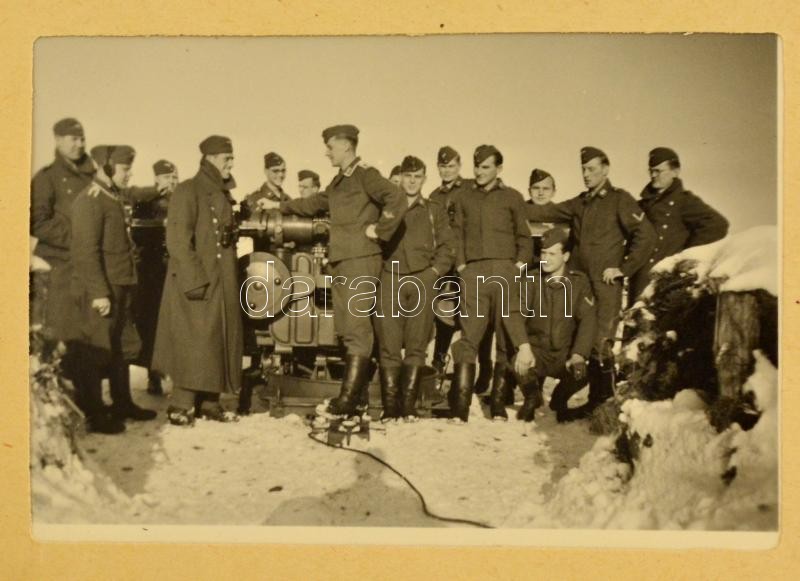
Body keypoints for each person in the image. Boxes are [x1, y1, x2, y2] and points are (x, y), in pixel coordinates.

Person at [258, 124, 407, 418]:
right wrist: (279, 204)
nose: (327, 153)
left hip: (360, 260)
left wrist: (381, 230)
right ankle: (356, 398)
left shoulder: (365, 175)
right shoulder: (340, 181)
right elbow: (315, 203)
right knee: (348, 329)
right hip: (343, 261)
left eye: (330, 147)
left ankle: (348, 400)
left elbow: (397, 198)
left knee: (357, 329)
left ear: (346, 146)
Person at [526, 147, 656, 419]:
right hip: (580, 285)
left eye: (592, 169)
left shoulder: (620, 200)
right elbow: (548, 211)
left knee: (601, 342)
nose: (586, 174)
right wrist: (512, 206)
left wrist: (624, 268)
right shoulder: (580, 203)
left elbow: (646, 234)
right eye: (583, 169)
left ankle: (601, 402)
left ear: (606, 169)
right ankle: (566, 397)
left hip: (605, 285)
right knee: (576, 337)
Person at [152, 135, 244, 426]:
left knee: (216, 339)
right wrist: (195, 280)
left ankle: (209, 402)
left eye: (231, 157)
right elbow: (178, 240)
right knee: (195, 340)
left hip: (222, 280)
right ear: (211, 159)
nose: (231, 163)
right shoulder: (188, 190)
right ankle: (181, 404)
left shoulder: (221, 192)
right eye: (227, 158)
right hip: (198, 280)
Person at [70, 145, 157, 434]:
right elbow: (85, 252)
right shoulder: (90, 200)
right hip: (103, 287)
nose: (129, 174)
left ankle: (122, 403)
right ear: (106, 168)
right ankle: (94, 414)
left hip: (120, 284)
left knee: (119, 349)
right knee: (96, 351)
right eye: (125, 169)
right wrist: (98, 292)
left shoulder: (112, 197)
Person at [449, 144, 536, 423]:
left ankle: (498, 403)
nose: (479, 171)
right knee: (469, 335)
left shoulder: (512, 197)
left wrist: (517, 266)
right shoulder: (463, 197)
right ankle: (460, 405)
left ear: (499, 169)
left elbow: (524, 237)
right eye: (477, 166)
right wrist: (462, 266)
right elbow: (456, 235)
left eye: (486, 167)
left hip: (504, 270)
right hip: (474, 271)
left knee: (505, 336)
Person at [374, 155, 455, 421]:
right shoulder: (385, 208)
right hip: (390, 278)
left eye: (417, 177)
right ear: (400, 178)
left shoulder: (433, 210)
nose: (411, 181)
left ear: (424, 179)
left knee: (417, 345)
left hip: (421, 279)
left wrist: (434, 273)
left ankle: (407, 407)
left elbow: (447, 246)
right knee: (389, 345)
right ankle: (390, 408)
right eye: (407, 176)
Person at [511, 228, 597, 422]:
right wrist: (524, 348)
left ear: (565, 256)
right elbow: (516, 315)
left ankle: (559, 400)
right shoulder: (531, 279)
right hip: (537, 352)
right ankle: (532, 397)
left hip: (563, 353)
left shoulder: (579, 282)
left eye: (552, 254)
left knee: (584, 371)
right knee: (517, 361)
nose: (546, 259)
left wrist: (578, 354)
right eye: (543, 253)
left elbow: (588, 320)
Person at [428, 146, 494, 394]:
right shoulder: (434, 195)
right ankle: (438, 365)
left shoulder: (470, 189)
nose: (447, 171)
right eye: (443, 166)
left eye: (452, 166)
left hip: (468, 262)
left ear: (459, 166)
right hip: (446, 264)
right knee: (444, 316)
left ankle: (483, 369)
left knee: (477, 318)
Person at [629, 147, 729, 301]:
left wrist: (685, 254)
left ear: (675, 172)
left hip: (664, 281)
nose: (653, 175)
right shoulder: (642, 204)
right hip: (639, 279)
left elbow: (718, 225)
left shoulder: (684, 201)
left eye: (658, 171)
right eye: (651, 171)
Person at [31, 118, 96, 348]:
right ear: (58, 140)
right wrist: (75, 238)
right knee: (62, 334)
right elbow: (37, 222)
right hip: (60, 267)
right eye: (74, 139)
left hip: (89, 265)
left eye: (82, 139)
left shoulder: (92, 176)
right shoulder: (46, 178)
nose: (80, 144)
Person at [130, 159, 179, 395]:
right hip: (152, 272)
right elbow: (138, 235)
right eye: (167, 177)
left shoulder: (181, 201)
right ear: (157, 179)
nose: (172, 181)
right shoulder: (145, 202)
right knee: (152, 324)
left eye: (174, 177)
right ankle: (154, 375)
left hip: (174, 270)